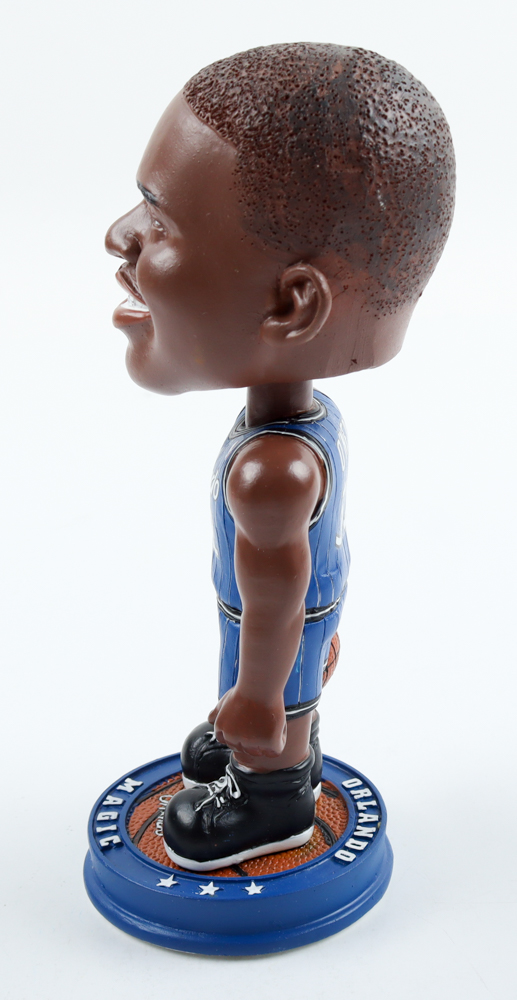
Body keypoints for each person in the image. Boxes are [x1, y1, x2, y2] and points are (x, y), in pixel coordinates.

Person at [105, 43, 455, 871]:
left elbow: (274, 598)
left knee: (279, 711)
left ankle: (271, 798)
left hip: (275, 634)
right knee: (273, 682)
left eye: (159, 220)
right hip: (290, 624)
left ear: (292, 306)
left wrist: (258, 701)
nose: (119, 237)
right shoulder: (308, 424)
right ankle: (262, 724)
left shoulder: (269, 470)